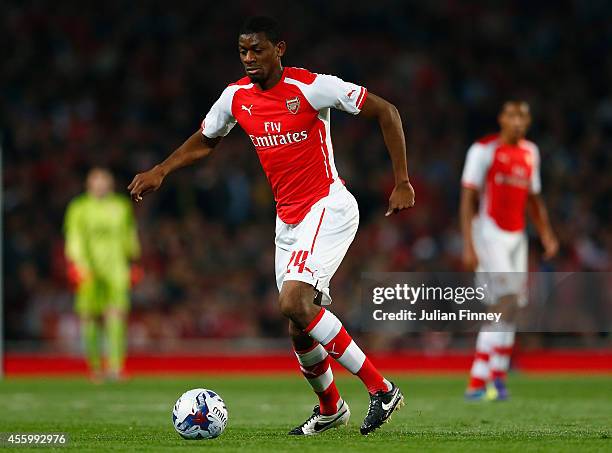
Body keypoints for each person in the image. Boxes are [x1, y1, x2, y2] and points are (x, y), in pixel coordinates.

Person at [128, 16, 415, 435]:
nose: (248, 59)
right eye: (242, 51)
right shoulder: (236, 98)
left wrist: (402, 180)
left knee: (294, 302)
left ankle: (382, 389)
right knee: (297, 324)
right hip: (288, 218)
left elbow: (386, 111)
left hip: (327, 204)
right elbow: (206, 138)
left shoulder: (312, 86)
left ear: (279, 48)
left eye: (257, 50)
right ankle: (331, 408)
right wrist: (161, 170)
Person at [460, 101, 558, 400]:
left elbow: (534, 198)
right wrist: (469, 244)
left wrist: (546, 233)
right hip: (490, 233)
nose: (518, 122)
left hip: (517, 237)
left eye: (523, 117)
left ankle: (497, 379)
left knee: (514, 306)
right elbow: (467, 198)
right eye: (513, 116)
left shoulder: (531, 152)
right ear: (501, 118)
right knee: (505, 300)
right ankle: (477, 381)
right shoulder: (483, 150)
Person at [64, 168, 141, 382]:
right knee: (90, 317)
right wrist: (76, 264)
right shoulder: (79, 207)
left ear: (111, 184)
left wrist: (133, 260)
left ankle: (116, 367)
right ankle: (95, 368)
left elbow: (129, 233)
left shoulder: (120, 206)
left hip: (116, 267)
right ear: (89, 184)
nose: (100, 185)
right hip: (88, 268)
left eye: (104, 181)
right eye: (96, 181)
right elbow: (74, 236)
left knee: (116, 316)